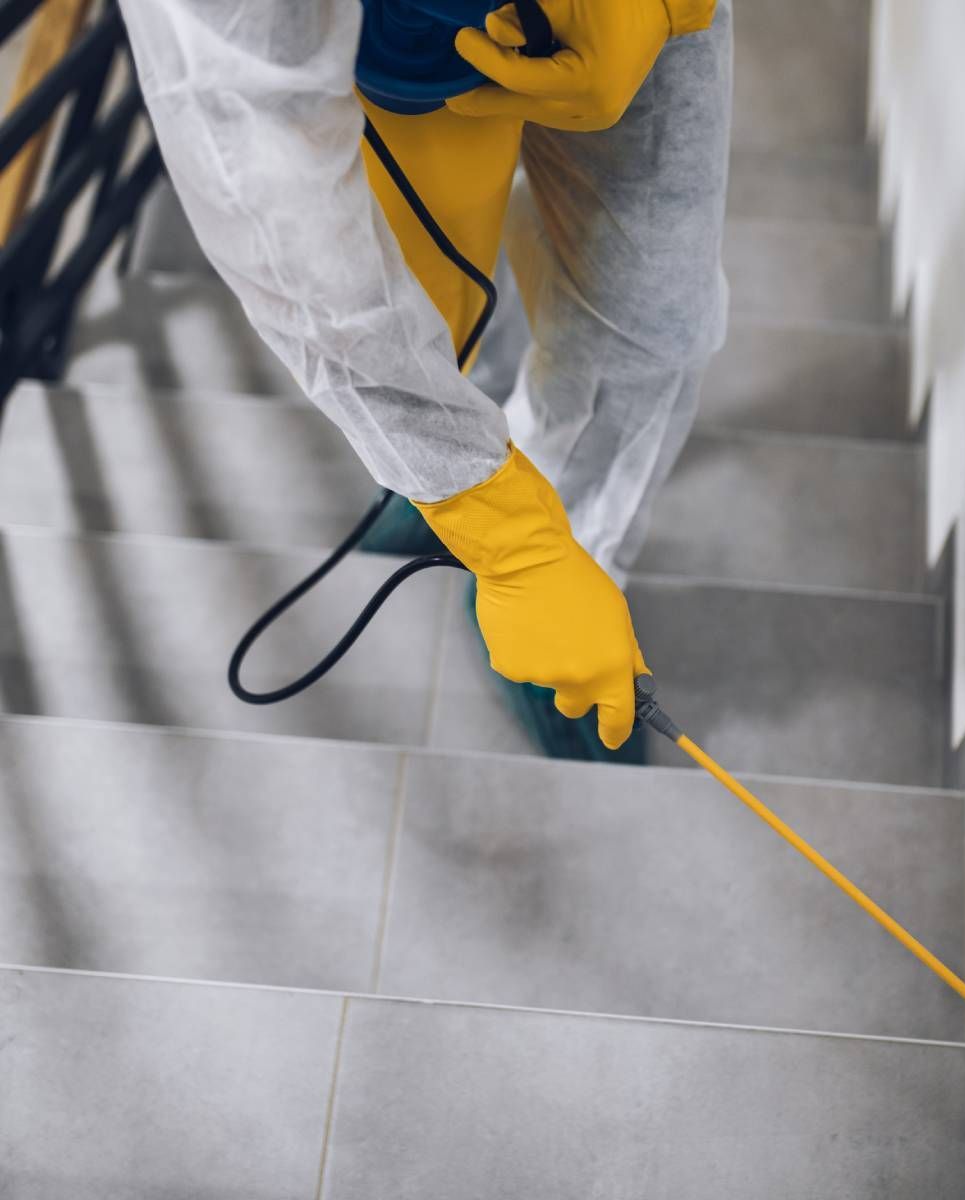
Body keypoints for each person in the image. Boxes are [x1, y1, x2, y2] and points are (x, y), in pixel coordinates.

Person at [117, 0, 732, 762]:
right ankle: (476, 478)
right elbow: (255, 149)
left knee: (648, 313)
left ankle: (575, 564)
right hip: (393, 40)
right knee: (432, 287)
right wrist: (500, 527)